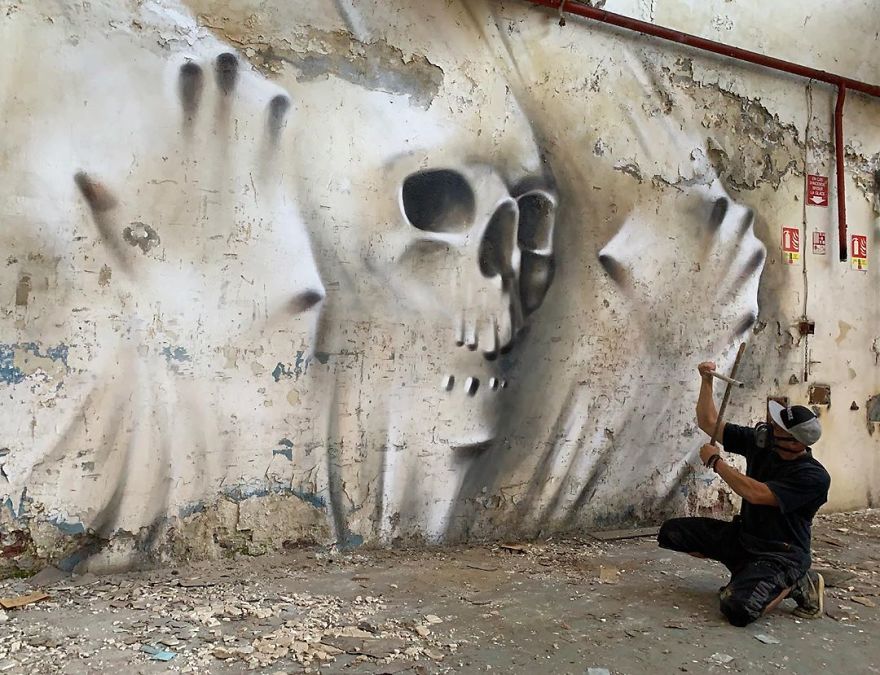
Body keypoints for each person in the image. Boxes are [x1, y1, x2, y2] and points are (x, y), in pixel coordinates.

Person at [658, 361, 831, 627]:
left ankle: (796, 582)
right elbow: (709, 422)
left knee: (738, 610)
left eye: (777, 429)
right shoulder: (761, 444)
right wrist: (706, 380)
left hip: (781, 554)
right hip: (745, 538)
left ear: (796, 443)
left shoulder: (813, 477)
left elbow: (756, 494)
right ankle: (746, 574)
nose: (769, 429)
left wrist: (717, 462)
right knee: (672, 533)